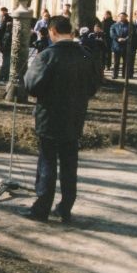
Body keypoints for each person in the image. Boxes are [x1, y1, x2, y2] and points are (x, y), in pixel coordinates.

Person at [21, 16, 101, 223]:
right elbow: (94, 85)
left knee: (47, 161)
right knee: (69, 163)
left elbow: (32, 85)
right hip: (75, 116)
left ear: (53, 31)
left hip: (50, 115)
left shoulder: (48, 55)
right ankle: (66, 207)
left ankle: (42, 208)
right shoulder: (85, 55)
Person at [110, 12, 130, 80]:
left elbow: (131, 34)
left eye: (123, 16)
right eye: (120, 16)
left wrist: (125, 39)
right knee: (116, 62)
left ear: (126, 17)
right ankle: (115, 74)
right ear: (118, 17)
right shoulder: (114, 25)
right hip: (117, 46)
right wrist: (118, 38)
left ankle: (124, 75)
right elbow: (112, 34)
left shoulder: (129, 25)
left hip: (126, 45)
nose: (121, 17)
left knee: (125, 62)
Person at [0, 15, 13, 84]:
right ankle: (1, 78)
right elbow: (5, 44)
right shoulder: (8, 34)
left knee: (7, 65)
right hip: (7, 51)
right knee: (5, 65)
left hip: (7, 51)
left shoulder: (8, 34)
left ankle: (5, 78)